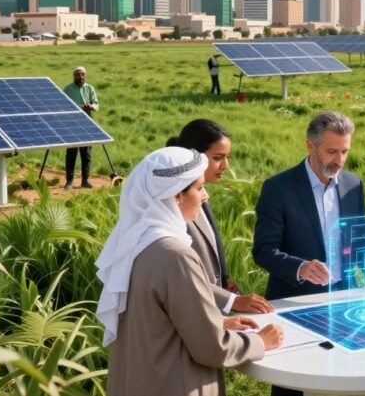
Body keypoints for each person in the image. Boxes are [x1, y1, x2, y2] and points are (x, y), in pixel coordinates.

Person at [96, 147, 283, 396]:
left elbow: (154, 320)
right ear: (176, 196)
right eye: (199, 188)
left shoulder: (135, 243)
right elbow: (211, 348)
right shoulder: (176, 256)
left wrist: (218, 322)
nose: (206, 196)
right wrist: (261, 341)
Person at [253, 111, 365, 396]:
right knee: (293, 384)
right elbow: (263, 250)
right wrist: (300, 268)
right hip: (295, 306)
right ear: (310, 146)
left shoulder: (353, 184)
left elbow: (362, 239)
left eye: (345, 151)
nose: (339, 160)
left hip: (345, 301)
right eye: (331, 151)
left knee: (344, 380)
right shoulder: (278, 188)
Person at [168, 119, 273, 315]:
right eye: (218, 157)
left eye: (227, 157)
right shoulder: (176, 204)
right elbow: (181, 276)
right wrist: (232, 301)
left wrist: (222, 281)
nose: (226, 165)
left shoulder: (201, 195)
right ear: (194, 156)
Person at [63, 66, 99, 190]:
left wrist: (91, 106)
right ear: (74, 76)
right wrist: (79, 108)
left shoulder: (90, 88)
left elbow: (96, 103)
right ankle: (69, 181)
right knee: (71, 154)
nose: (81, 77)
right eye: (78, 75)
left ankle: (85, 180)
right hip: (72, 123)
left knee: (86, 154)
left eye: (82, 74)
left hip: (87, 122)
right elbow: (62, 105)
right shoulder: (67, 89)